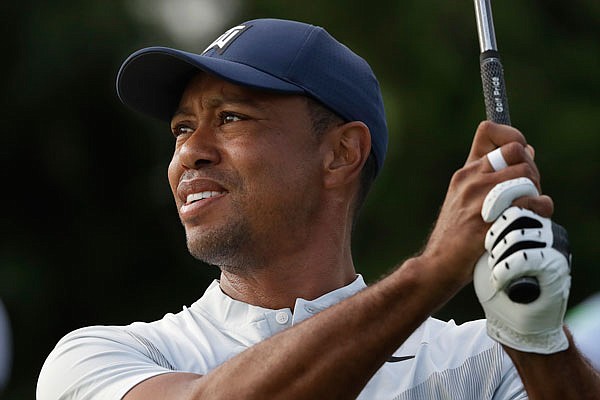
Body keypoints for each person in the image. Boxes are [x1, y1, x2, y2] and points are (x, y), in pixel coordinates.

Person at [37, 18, 600, 399]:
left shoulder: (478, 360)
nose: (189, 152)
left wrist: (539, 341)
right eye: (182, 128)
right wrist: (434, 270)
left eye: (230, 118)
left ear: (341, 152)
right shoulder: (100, 356)